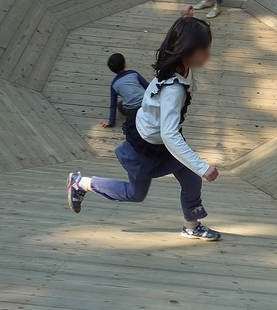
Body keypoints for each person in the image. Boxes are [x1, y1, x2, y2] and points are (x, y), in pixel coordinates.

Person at [67, 16, 222, 241]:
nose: (208, 54)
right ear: (186, 50)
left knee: (191, 180)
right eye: (204, 49)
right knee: (135, 194)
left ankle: (191, 226)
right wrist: (202, 166)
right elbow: (169, 134)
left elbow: (169, 132)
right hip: (145, 148)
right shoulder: (174, 90)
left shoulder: (179, 66)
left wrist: (186, 19)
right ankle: (80, 183)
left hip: (163, 139)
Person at [102, 53, 150, 128]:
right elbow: (148, 87)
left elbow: (113, 105)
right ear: (125, 64)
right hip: (145, 103)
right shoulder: (134, 73)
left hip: (131, 109)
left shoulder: (114, 85)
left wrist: (111, 121)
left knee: (119, 105)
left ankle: (135, 115)